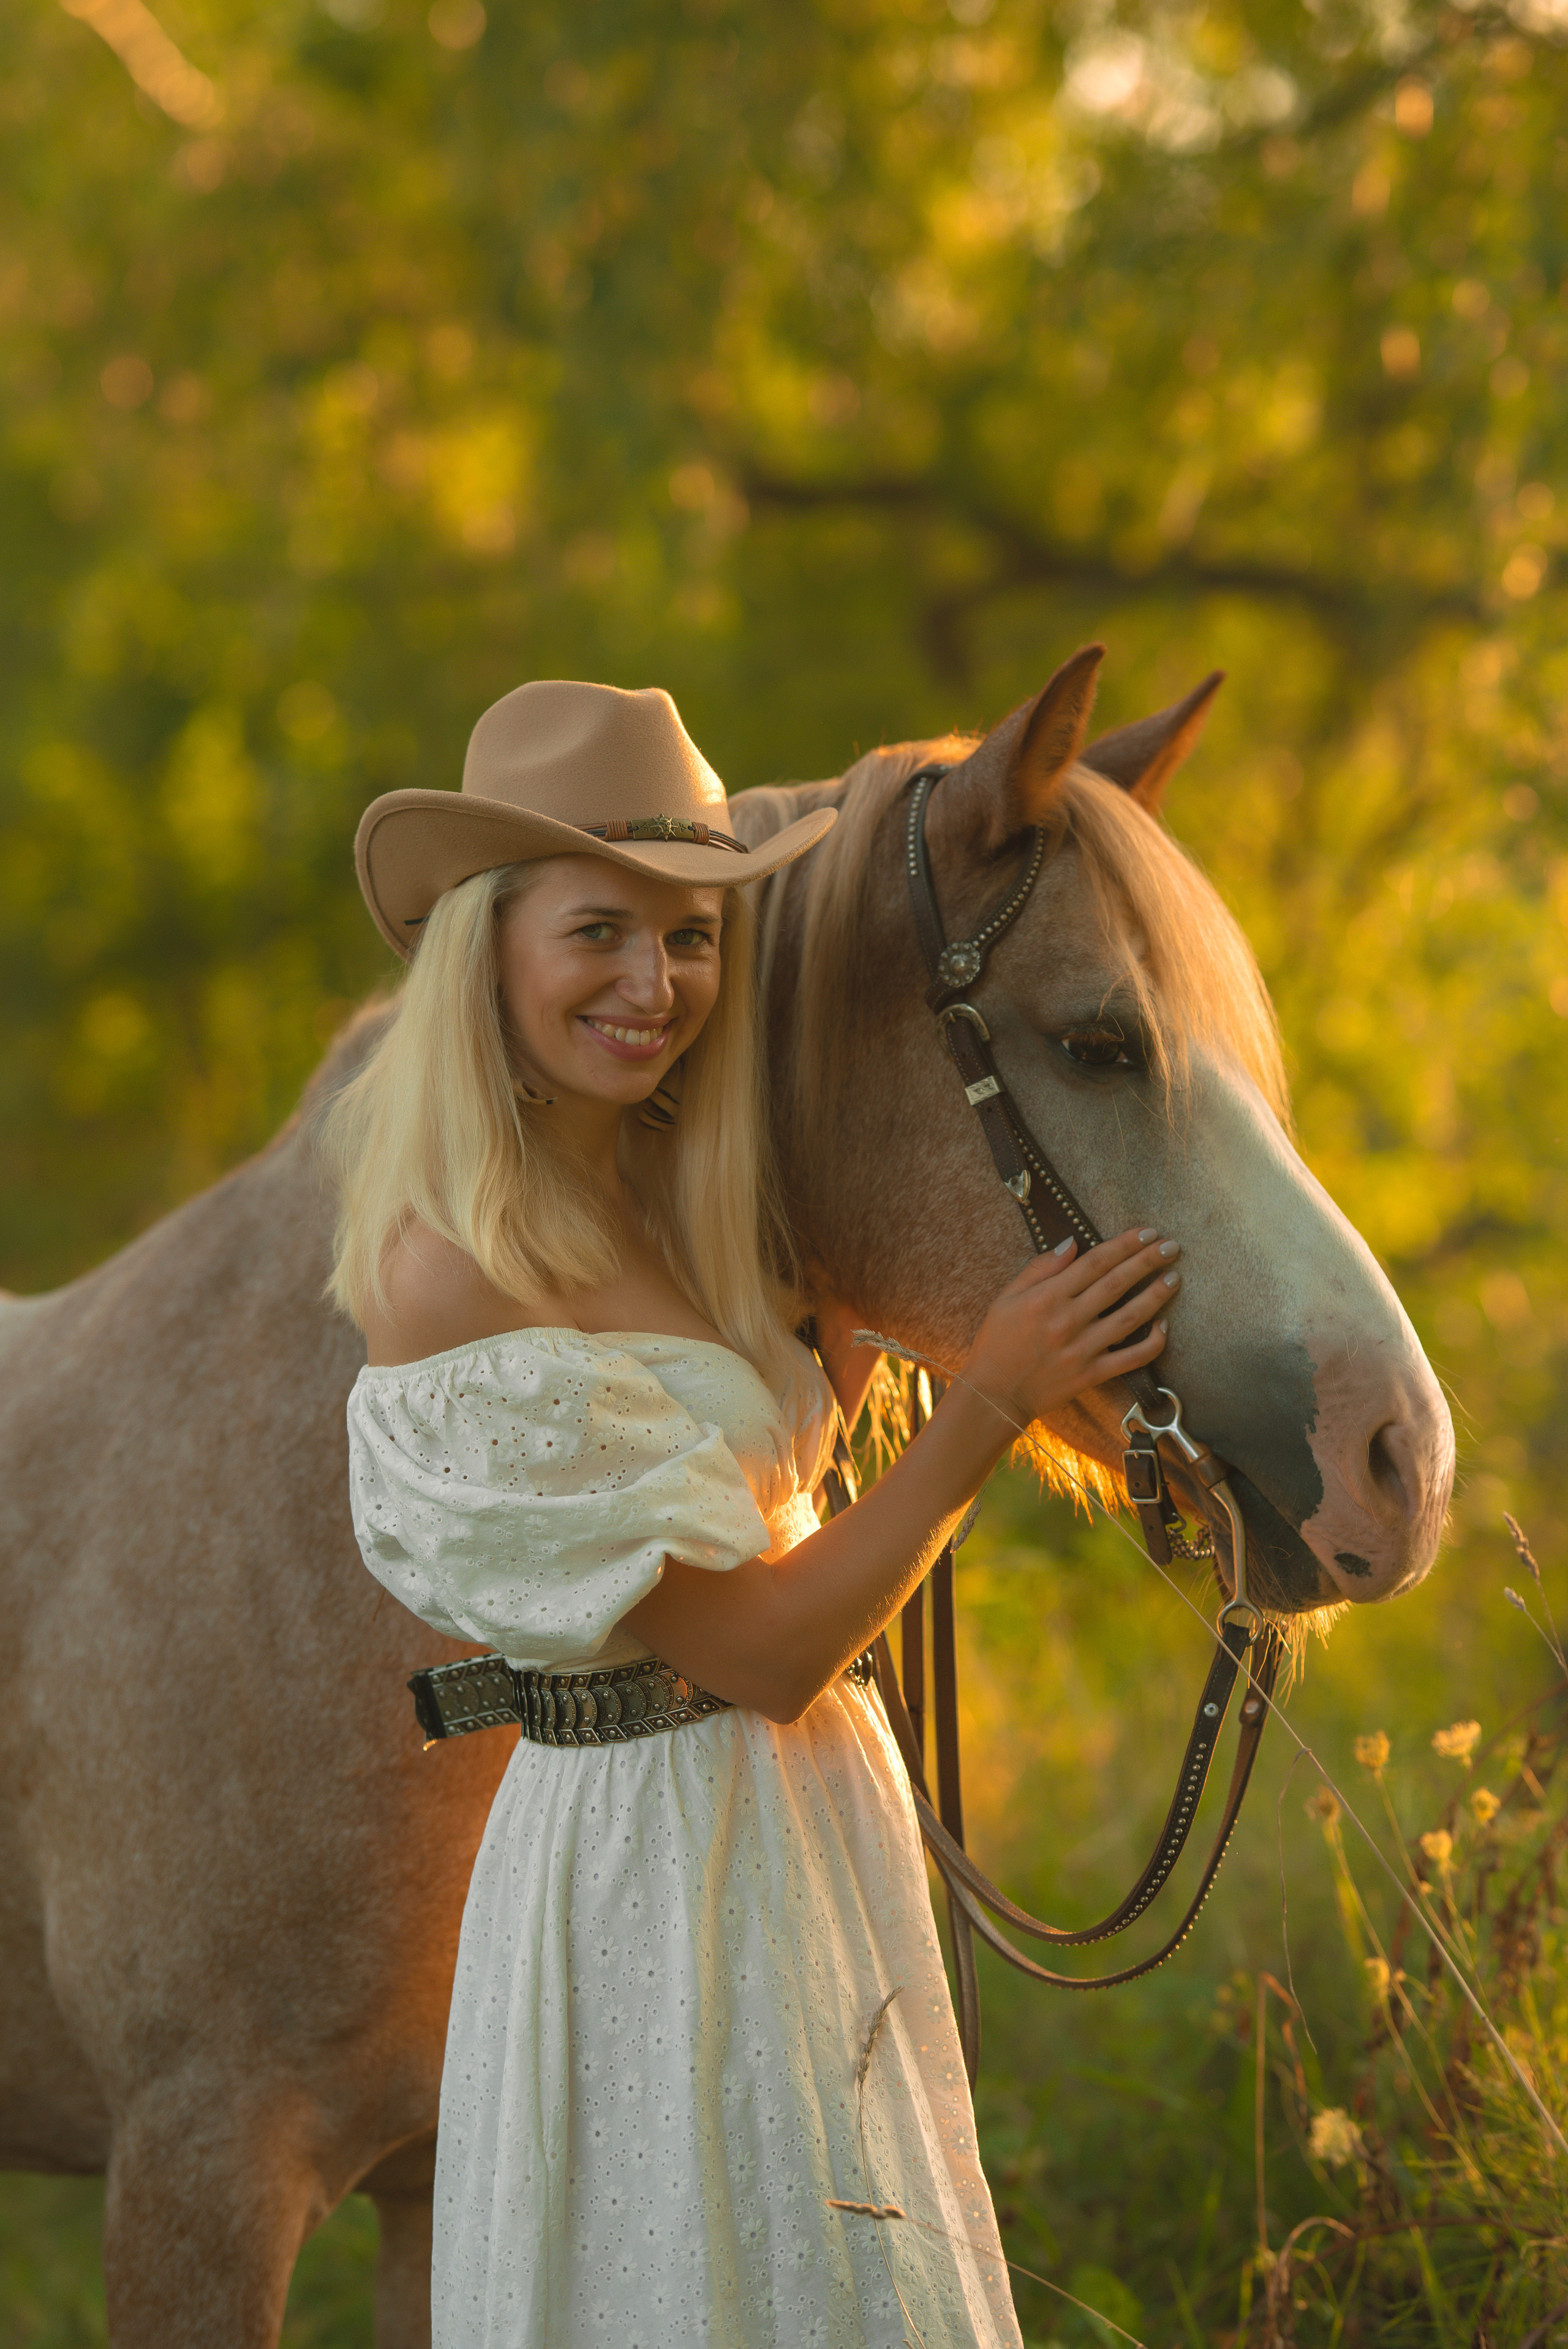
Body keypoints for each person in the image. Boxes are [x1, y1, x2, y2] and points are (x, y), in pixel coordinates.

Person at [322, 680, 1181, 2349]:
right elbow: (768, 1645)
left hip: (781, 1837)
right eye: (601, 935)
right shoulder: (454, 1271)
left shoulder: (656, 1188)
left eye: (691, 939)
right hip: (650, 1862)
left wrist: (859, 1367)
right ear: (489, 946)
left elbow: (743, 1502)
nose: (657, 986)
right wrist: (991, 1400)